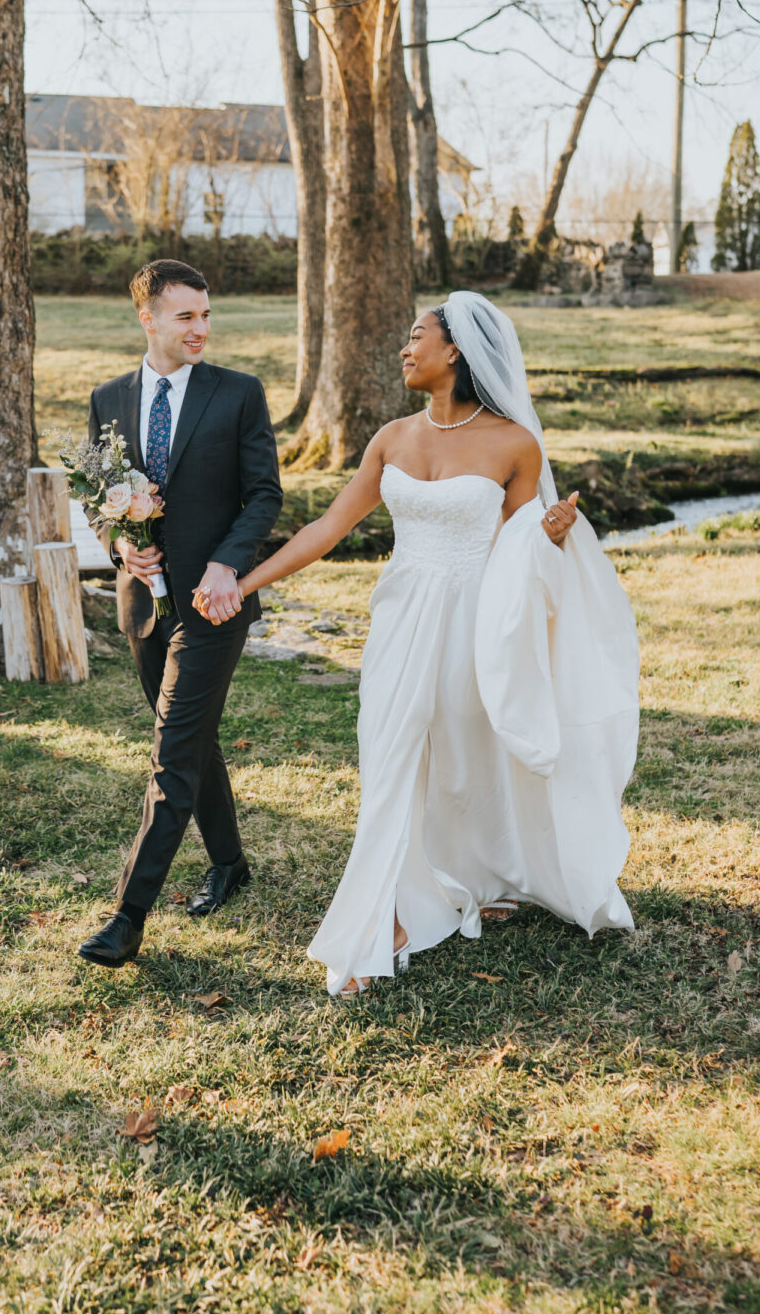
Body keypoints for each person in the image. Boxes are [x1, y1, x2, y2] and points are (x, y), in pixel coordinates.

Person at [229, 291, 639, 997]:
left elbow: (523, 557)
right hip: (401, 614)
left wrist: (549, 538)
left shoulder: (516, 445)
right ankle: (383, 918)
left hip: (480, 621)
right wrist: (243, 584)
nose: (404, 348)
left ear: (456, 351)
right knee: (389, 754)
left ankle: (487, 873)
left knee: (466, 755)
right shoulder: (391, 438)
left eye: (416, 336)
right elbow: (327, 529)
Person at [77, 259, 283, 968]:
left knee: (171, 753)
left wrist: (229, 563)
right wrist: (117, 547)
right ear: (148, 319)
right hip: (141, 606)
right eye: (184, 316)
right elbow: (97, 495)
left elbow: (264, 496)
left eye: (205, 315)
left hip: (213, 602)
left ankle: (128, 916)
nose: (200, 328)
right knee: (190, 739)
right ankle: (229, 862)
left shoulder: (238, 395)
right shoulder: (108, 398)